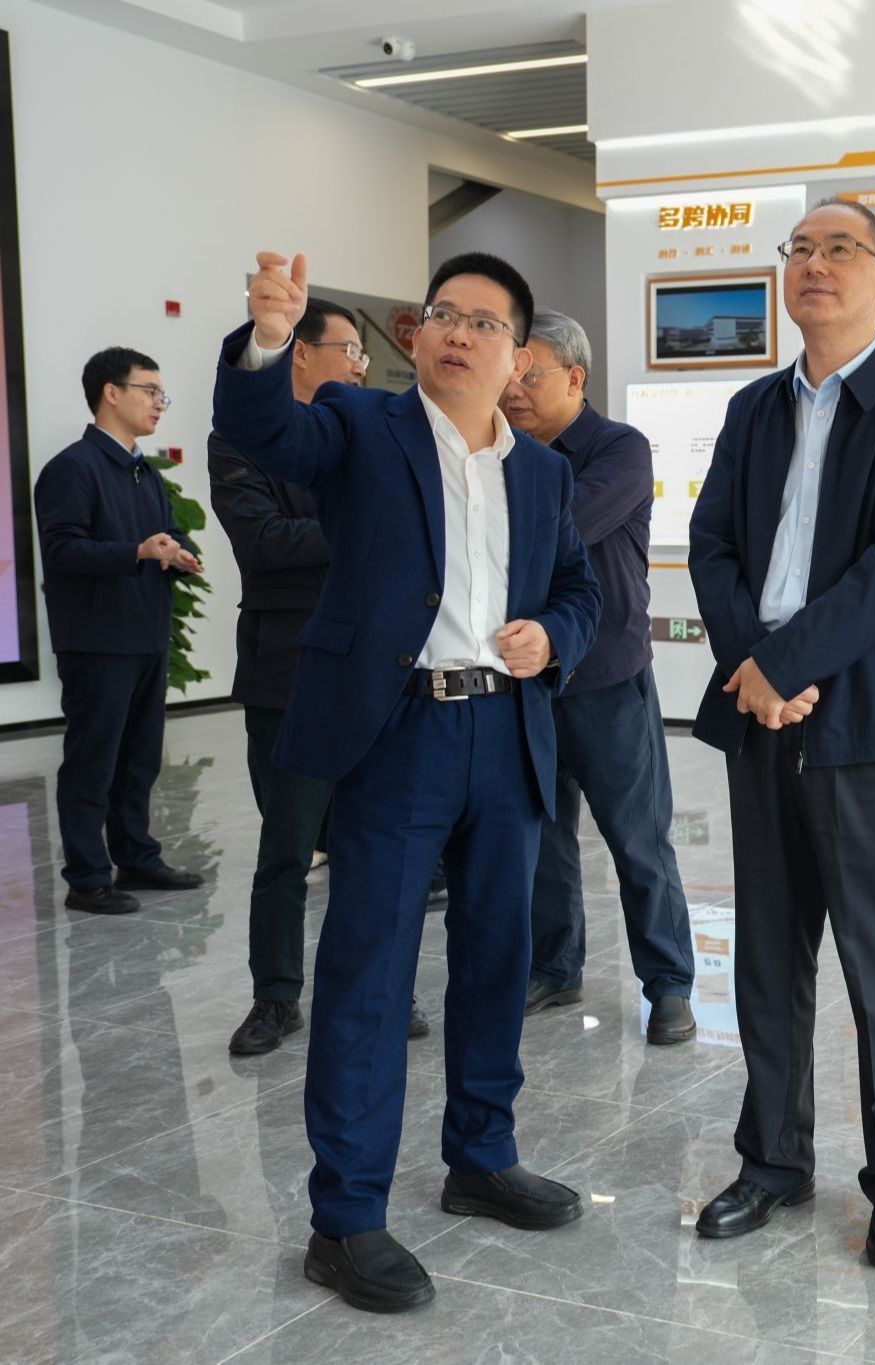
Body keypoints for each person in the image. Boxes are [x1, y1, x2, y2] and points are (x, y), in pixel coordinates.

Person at [214, 249, 601, 1314]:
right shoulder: (359, 427)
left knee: (496, 961)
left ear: (517, 357)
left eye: (484, 322)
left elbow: (579, 588)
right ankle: (345, 1218)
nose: (458, 332)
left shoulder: (541, 471)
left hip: (506, 732)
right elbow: (263, 431)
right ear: (419, 337)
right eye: (442, 314)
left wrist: (551, 636)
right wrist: (268, 340)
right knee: (369, 975)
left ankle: (481, 1156)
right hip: (398, 735)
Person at [687, 196, 875, 1268]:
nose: (815, 263)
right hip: (760, 712)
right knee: (767, 953)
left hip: (872, 722)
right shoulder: (752, 408)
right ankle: (772, 1159)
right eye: (800, 248)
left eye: (840, 249)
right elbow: (711, 543)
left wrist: (787, 663)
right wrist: (752, 666)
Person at [211, 301, 432, 1053]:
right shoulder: (241, 439)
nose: (361, 366)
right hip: (287, 669)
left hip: (376, 670)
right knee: (287, 848)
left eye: (364, 355)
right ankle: (275, 997)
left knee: (377, 844)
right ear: (300, 354)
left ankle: (384, 986)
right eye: (349, 350)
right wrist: (364, 530)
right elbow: (263, 541)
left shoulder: (375, 436)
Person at [498, 310, 697, 1044]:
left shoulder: (620, 449)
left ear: (575, 378)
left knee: (638, 840)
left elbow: (556, 532)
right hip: (528, 678)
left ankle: (669, 984)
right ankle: (555, 968)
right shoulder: (501, 450)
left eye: (530, 375)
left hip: (608, 677)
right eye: (508, 374)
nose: (513, 389)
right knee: (542, 838)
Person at [34, 348, 206, 915]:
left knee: (139, 760)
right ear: (111, 393)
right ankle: (87, 878)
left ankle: (136, 857)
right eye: (149, 391)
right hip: (97, 641)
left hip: (146, 634)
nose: (159, 403)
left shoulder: (144, 472)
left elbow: (166, 534)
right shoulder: (72, 468)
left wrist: (179, 552)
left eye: (161, 394)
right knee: (93, 762)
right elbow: (62, 550)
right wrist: (136, 551)